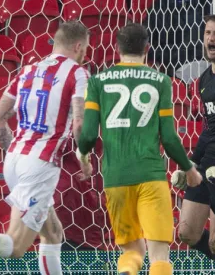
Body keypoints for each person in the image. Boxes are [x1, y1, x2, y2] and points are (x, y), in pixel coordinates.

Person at [0, 21, 90, 275]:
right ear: (78, 46)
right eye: (86, 48)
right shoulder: (77, 73)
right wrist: (85, 158)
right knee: (15, 246)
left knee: (53, 233)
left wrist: (18, 154)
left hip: (14, 158)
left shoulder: (27, 70)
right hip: (40, 165)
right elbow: (79, 123)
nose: (85, 53)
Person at [75, 23, 202, 275]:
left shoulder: (97, 82)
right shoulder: (161, 81)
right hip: (151, 176)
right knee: (158, 254)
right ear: (147, 48)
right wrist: (189, 169)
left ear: (117, 47)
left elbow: (88, 134)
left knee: (132, 252)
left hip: (116, 177)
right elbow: (169, 137)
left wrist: (84, 156)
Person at [171, 14, 215, 275]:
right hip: (206, 165)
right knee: (187, 233)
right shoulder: (203, 80)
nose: (211, 39)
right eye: (208, 33)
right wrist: (189, 162)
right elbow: (208, 129)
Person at [146, 0, 204, 76]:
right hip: (173, 59)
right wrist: (169, 55)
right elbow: (149, 41)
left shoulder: (200, 6)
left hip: (200, 56)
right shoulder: (158, 10)